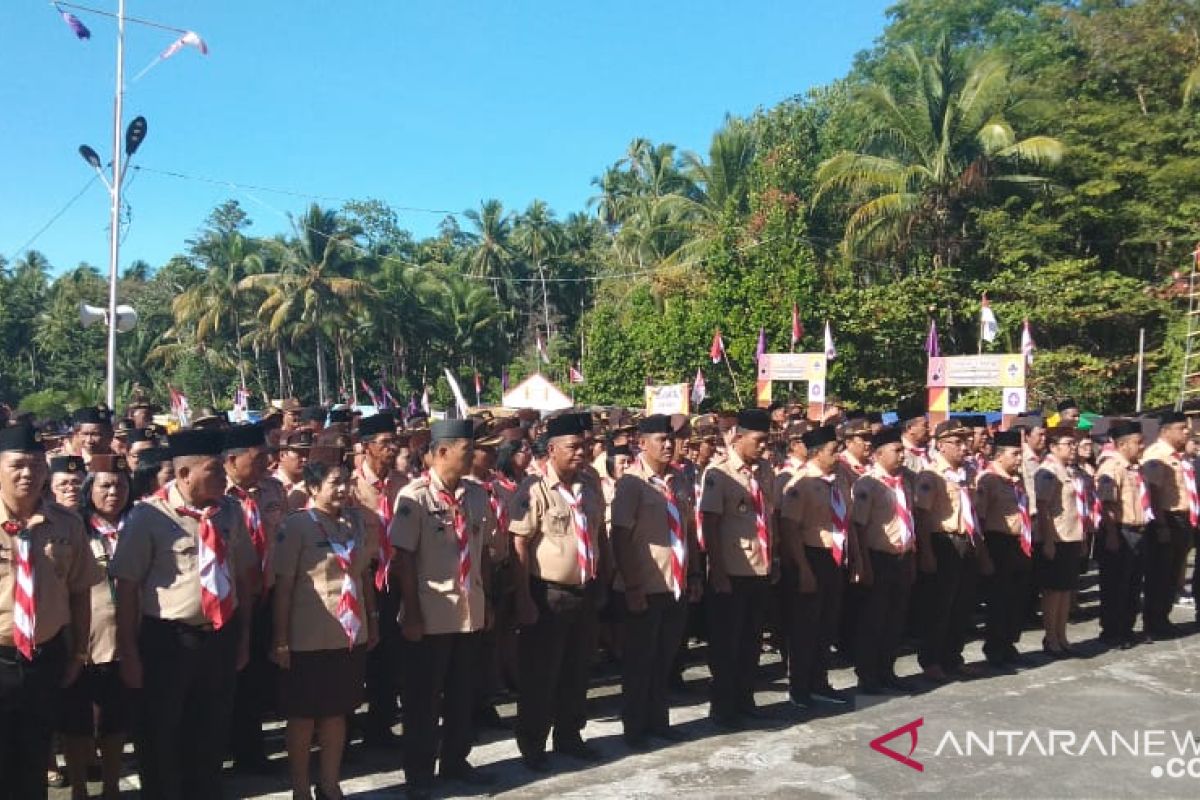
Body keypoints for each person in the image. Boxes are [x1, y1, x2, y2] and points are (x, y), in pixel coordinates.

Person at [110, 428, 256, 800]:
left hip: (220, 636)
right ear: (183, 474)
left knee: (210, 733)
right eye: (214, 469)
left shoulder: (231, 512)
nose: (224, 476)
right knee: (161, 736)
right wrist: (128, 652)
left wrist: (242, 638)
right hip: (168, 641)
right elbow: (127, 587)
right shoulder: (148, 516)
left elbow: (242, 576)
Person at [392, 420, 494, 798]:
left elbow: (481, 552)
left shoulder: (477, 495)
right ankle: (419, 772)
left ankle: (456, 760)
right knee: (423, 698)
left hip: (469, 608)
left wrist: (488, 600)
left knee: (462, 692)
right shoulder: (415, 497)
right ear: (440, 453)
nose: (473, 456)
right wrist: (412, 613)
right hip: (431, 612)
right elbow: (403, 559)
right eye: (467, 450)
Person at [0, 424, 102, 800]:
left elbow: (80, 592)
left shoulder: (67, 523)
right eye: (16, 465)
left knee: (34, 756)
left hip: (45, 657)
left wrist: (77, 653)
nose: (27, 474)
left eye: (35, 465)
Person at [272, 457, 379, 800]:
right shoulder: (297, 526)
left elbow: (363, 577)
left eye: (347, 481)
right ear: (313, 488)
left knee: (337, 712)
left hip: (348, 633)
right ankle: (301, 786)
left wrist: (372, 621)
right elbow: (284, 587)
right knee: (303, 717)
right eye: (335, 482)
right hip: (307, 636)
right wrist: (281, 639)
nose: (344, 489)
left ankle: (330, 783)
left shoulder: (353, 524)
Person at [509, 413, 607, 769]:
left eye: (584, 446)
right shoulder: (534, 490)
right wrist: (523, 598)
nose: (581, 452)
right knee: (541, 675)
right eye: (573, 447)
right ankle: (533, 745)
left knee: (577, 671)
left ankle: (570, 736)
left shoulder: (589, 487)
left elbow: (599, 536)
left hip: (585, 590)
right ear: (551, 450)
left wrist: (603, 579)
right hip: (548, 595)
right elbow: (519, 545)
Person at [610, 414, 701, 748]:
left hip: (674, 583)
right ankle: (634, 727)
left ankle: (658, 721)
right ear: (642, 443)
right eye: (660, 440)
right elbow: (619, 536)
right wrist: (632, 586)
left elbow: (687, 530)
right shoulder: (633, 483)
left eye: (670, 439)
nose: (667, 445)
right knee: (639, 662)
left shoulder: (677, 481)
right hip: (644, 586)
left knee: (664, 659)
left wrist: (693, 574)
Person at [61, 455, 133, 800]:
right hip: (83, 639)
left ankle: (111, 787)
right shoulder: (73, 528)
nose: (113, 491)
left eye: (120, 484)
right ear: (90, 489)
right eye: (104, 485)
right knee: (76, 722)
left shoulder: (139, 525)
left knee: (115, 721)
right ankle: (78, 788)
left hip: (128, 639)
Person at [700, 408, 776, 729]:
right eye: (758, 441)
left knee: (751, 642)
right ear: (739, 437)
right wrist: (716, 570)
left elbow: (769, 519)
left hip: (760, 567)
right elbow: (711, 524)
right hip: (731, 570)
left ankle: (745, 699)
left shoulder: (765, 471)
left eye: (766, 441)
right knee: (726, 644)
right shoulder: (719, 474)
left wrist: (776, 560)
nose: (763, 447)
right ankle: (723, 707)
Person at [224, 423, 286, 774]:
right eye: (258, 457)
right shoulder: (220, 497)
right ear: (232, 460)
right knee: (231, 675)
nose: (267, 462)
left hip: (268, 591)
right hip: (231, 598)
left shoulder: (273, 490)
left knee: (259, 675)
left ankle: (252, 749)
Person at [779, 424, 854, 708]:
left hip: (834, 557)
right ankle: (800, 688)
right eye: (834, 451)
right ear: (816, 454)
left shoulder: (837, 481)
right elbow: (790, 529)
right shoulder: (800, 484)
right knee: (805, 628)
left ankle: (819, 682)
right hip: (810, 556)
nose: (839, 455)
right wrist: (803, 568)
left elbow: (846, 522)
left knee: (826, 624)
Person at [915, 419, 993, 681]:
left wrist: (981, 551)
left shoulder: (967, 473)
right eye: (957, 442)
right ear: (941, 446)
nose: (964, 447)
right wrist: (926, 551)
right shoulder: (931, 475)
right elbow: (923, 515)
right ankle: (931, 660)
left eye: (965, 441)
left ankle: (953, 657)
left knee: (962, 604)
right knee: (939, 606)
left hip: (966, 540)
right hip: (943, 541)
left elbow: (972, 514)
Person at [350, 411, 405, 746]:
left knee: (390, 656)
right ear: (367, 448)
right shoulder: (350, 486)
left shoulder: (402, 484)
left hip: (396, 577)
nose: (391, 448)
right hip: (364, 578)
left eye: (393, 442)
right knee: (361, 657)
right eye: (384, 443)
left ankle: (381, 725)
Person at [851, 427, 917, 693]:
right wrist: (862, 563)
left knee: (895, 618)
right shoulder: (867, 484)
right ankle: (868, 675)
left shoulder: (906, 481)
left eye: (902, 450)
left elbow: (910, 520)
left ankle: (887, 669)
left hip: (902, 556)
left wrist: (912, 557)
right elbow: (859, 527)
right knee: (873, 619)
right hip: (878, 558)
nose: (902, 456)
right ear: (878, 454)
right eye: (896, 450)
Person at [974, 430, 1033, 667]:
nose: (1019, 459)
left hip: (1019, 542)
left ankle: (1009, 643)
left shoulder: (1016, 480)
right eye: (1015, 454)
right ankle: (995, 647)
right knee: (999, 600)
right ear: (999, 456)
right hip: (998, 542)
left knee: (1017, 598)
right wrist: (984, 554)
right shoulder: (988, 480)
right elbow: (980, 517)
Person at [1139, 411, 1195, 639]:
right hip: (1165, 519)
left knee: (1172, 573)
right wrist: (1161, 525)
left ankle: (1163, 617)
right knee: (1159, 574)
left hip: (1181, 518)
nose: (1187, 432)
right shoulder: (1157, 454)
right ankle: (1154, 622)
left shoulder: (1178, 455)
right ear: (1166, 430)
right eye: (1182, 428)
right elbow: (1152, 492)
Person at [1095, 420, 1150, 648]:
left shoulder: (1135, 468)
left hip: (1137, 531)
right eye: (1138, 442)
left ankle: (1127, 628)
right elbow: (1107, 504)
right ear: (1123, 444)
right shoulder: (1111, 467)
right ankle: (1112, 632)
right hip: (1119, 531)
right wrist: (1111, 535)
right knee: (1115, 585)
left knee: (1133, 584)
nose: (1142, 446)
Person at [1034, 428, 1086, 657]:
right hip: (1057, 536)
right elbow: (1042, 507)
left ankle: (1062, 634)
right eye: (1067, 444)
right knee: (1053, 590)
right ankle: (1051, 636)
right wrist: (1047, 540)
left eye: (1074, 444)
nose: (1072, 447)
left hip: (1073, 536)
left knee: (1066, 590)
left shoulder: (1072, 472)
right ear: (1053, 447)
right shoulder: (1048, 472)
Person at [276, 428, 314, 512]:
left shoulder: (313, 484)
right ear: (282, 455)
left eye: (308, 454)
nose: (305, 459)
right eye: (300, 454)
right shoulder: (270, 487)